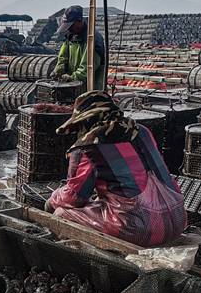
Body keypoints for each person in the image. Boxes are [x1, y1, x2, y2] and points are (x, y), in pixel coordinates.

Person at [45, 91, 186, 246]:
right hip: (178, 219)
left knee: (61, 213)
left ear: (85, 121)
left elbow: (74, 198)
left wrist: (51, 200)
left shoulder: (89, 145)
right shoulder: (142, 131)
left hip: (137, 229)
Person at [51, 5, 106, 92]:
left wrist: (72, 77)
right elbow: (62, 58)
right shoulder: (70, 36)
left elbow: (87, 68)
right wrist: (58, 71)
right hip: (73, 86)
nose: (69, 29)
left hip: (90, 88)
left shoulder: (93, 39)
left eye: (71, 25)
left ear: (79, 21)